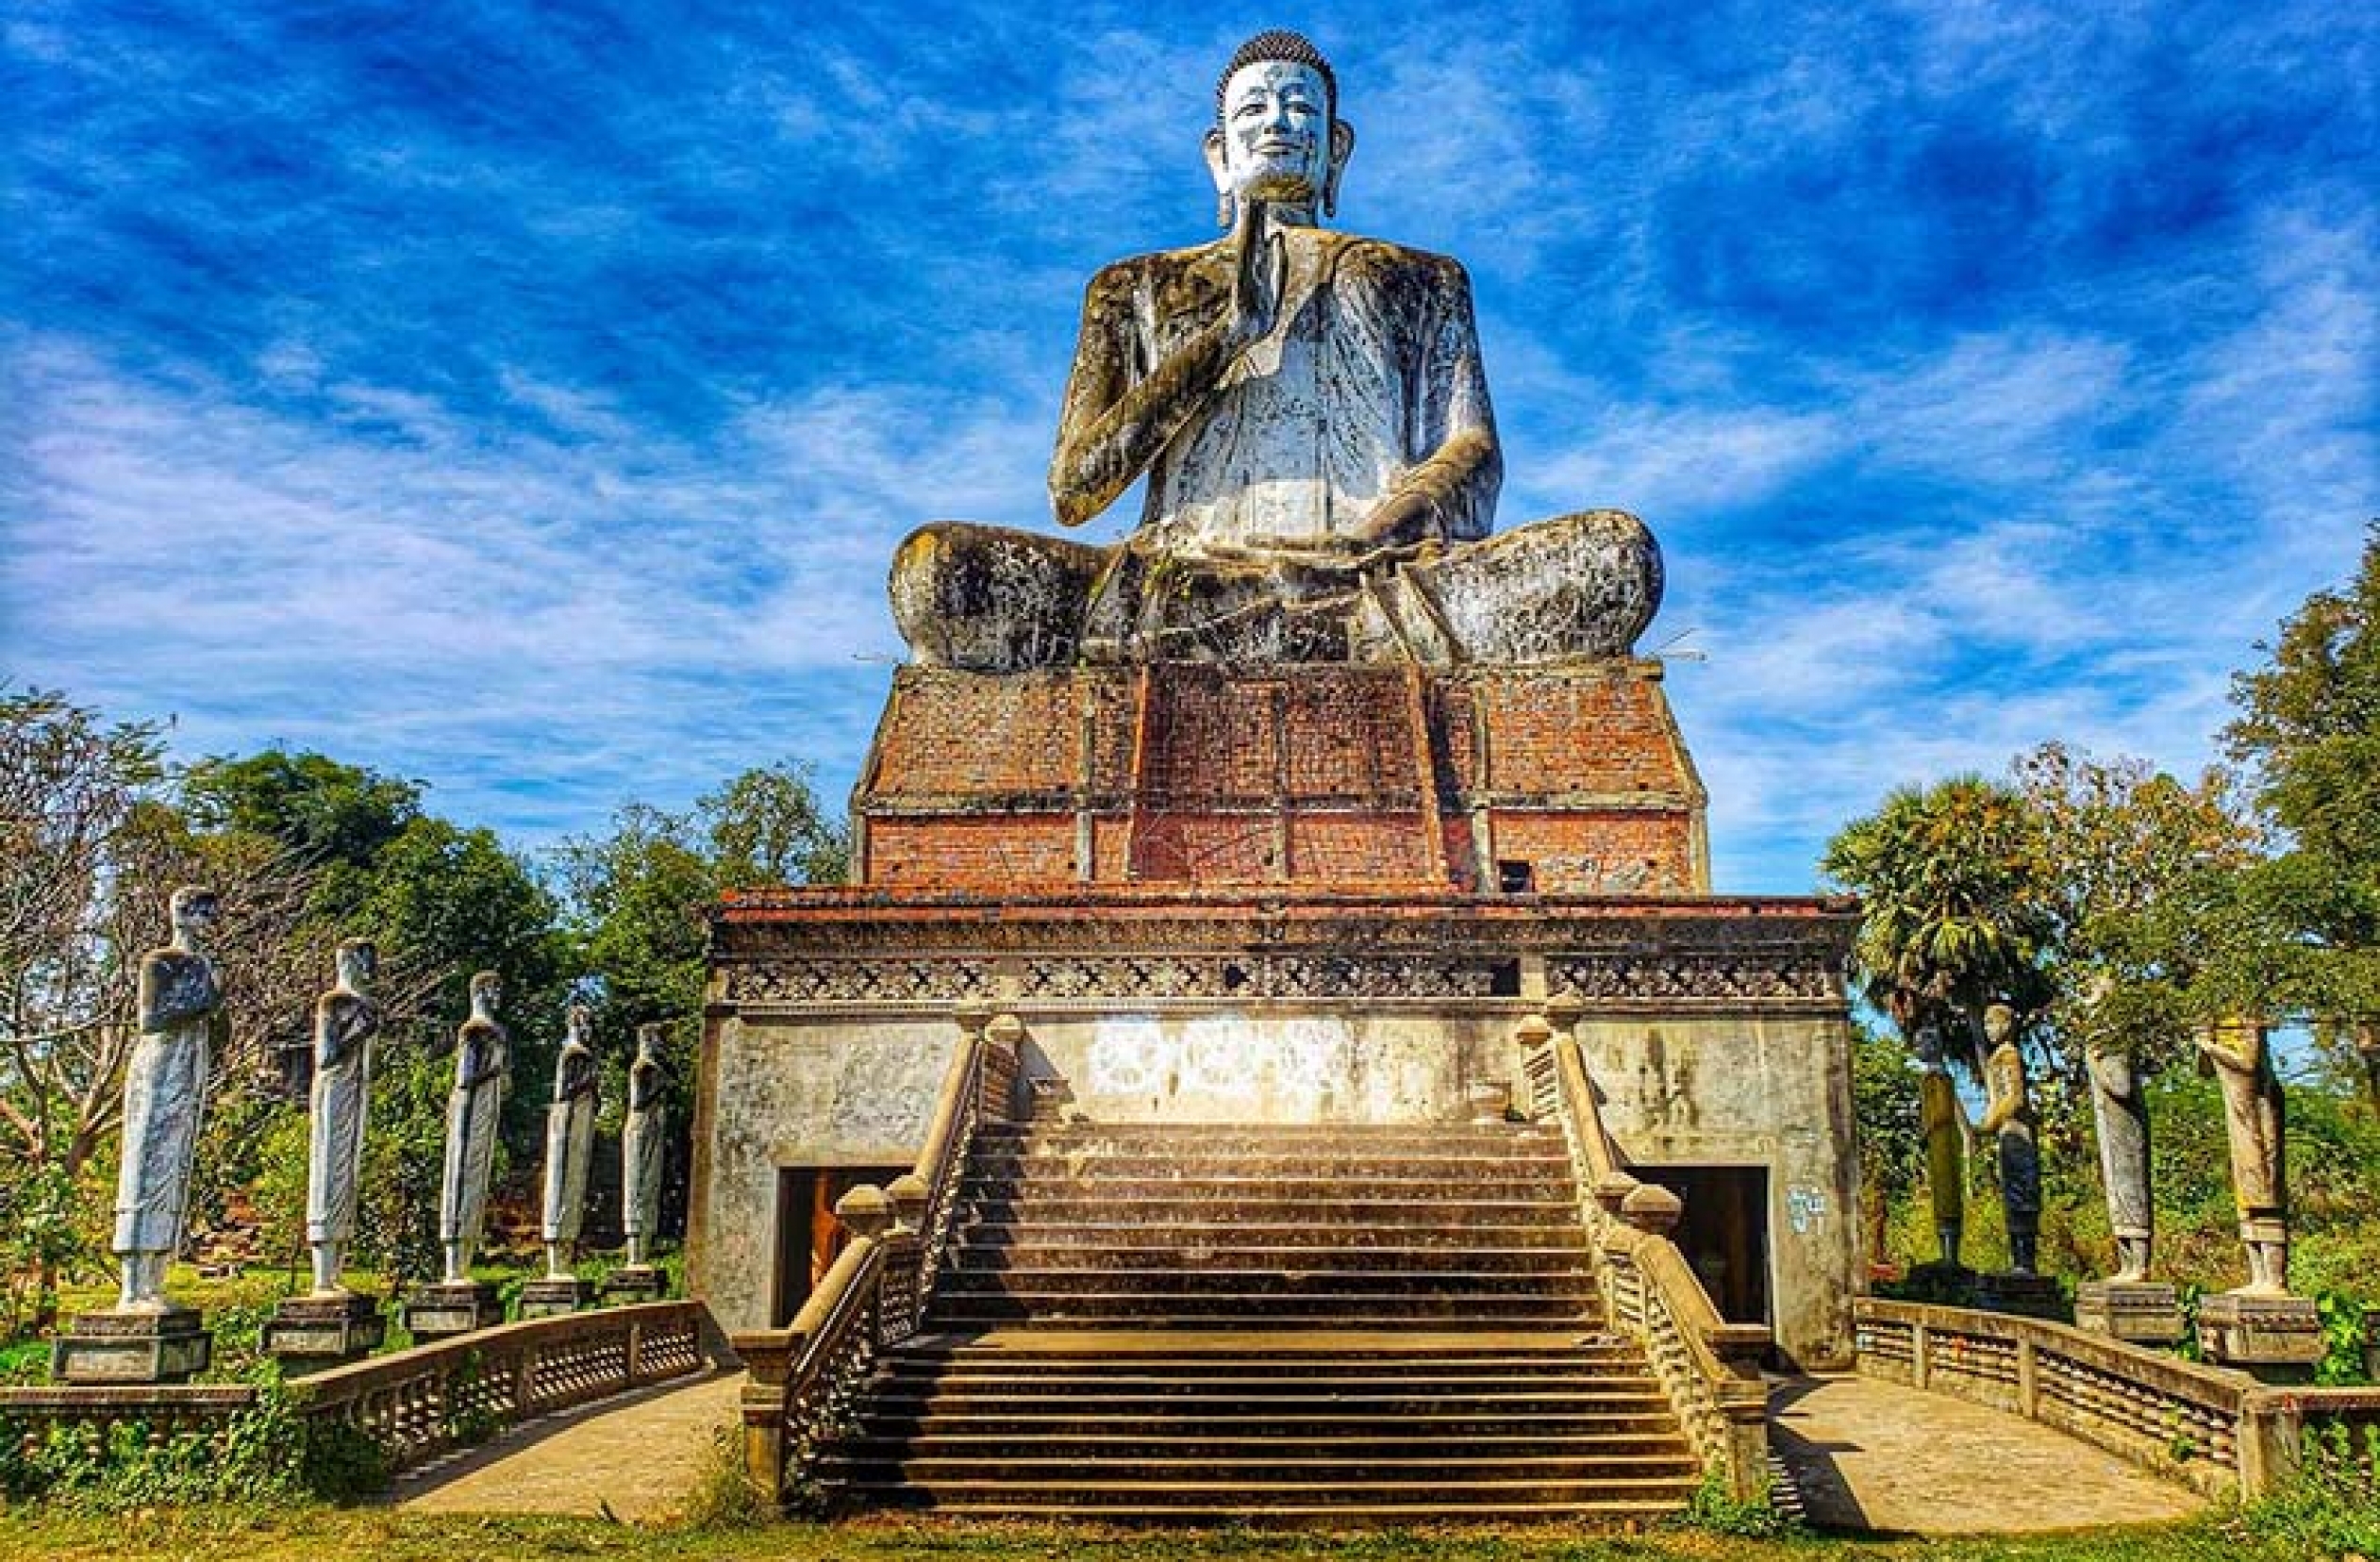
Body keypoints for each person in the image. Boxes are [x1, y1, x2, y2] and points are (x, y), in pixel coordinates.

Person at [890, 29, 1661, 669]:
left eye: (1301, 108)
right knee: (935, 574)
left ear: (1337, 149)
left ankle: (1310, 629)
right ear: (1218, 154)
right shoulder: (1134, 286)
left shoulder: (1422, 279)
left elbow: (1472, 452)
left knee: (1613, 556)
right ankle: (1303, 636)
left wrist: (1378, 535)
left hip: (1376, 580)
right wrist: (1223, 337)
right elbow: (1075, 489)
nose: (1278, 123)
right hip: (1179, 580)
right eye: (1253, 109)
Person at [112, 887, 225, 1311]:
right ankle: (131, 1289)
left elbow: (216, 1025)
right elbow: (150, 1018)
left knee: (174, 1168)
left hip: (189, 1066)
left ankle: (154, 1283)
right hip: (159, 1068)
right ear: (181, 913)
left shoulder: (206, 965)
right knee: (145, 1162)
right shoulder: (160, 962)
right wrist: (206, 1001)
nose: (209, 922)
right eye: (203, 912)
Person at [305, 939, 379, 1295]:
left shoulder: (365, 1004)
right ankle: (321, 1277)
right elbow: (326, 1055)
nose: (370, 969)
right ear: (346, 961)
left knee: (347, 1176)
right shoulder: (333, 1003)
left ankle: (335, 1272)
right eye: (364, 961)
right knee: (328, 1170)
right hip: (333, 1092)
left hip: (355, 1091)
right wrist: (358, 1030)